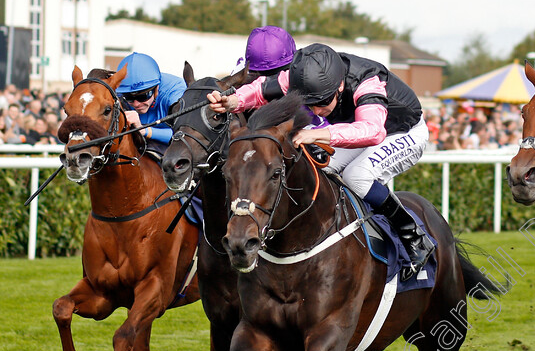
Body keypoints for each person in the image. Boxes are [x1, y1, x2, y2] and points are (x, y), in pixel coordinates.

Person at [208, 42, 434, 281]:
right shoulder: (301, 76)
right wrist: (233, 101)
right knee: (317, 164)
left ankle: (414, 237)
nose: (316, 111)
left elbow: (372, 131)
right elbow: (261, 89)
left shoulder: (368, 82)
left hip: (402, 132)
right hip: (359, 128)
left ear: (339, 86)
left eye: (322, 103)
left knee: (357, 175)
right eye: (310, 104)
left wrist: (319, 134)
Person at [115, 52, 187, 155]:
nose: (136, 104)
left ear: (157, 88)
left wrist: (144, 130)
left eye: (142, 96)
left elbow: (185, 135)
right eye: (129, 98)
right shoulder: (121, 92)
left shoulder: (175, 94)